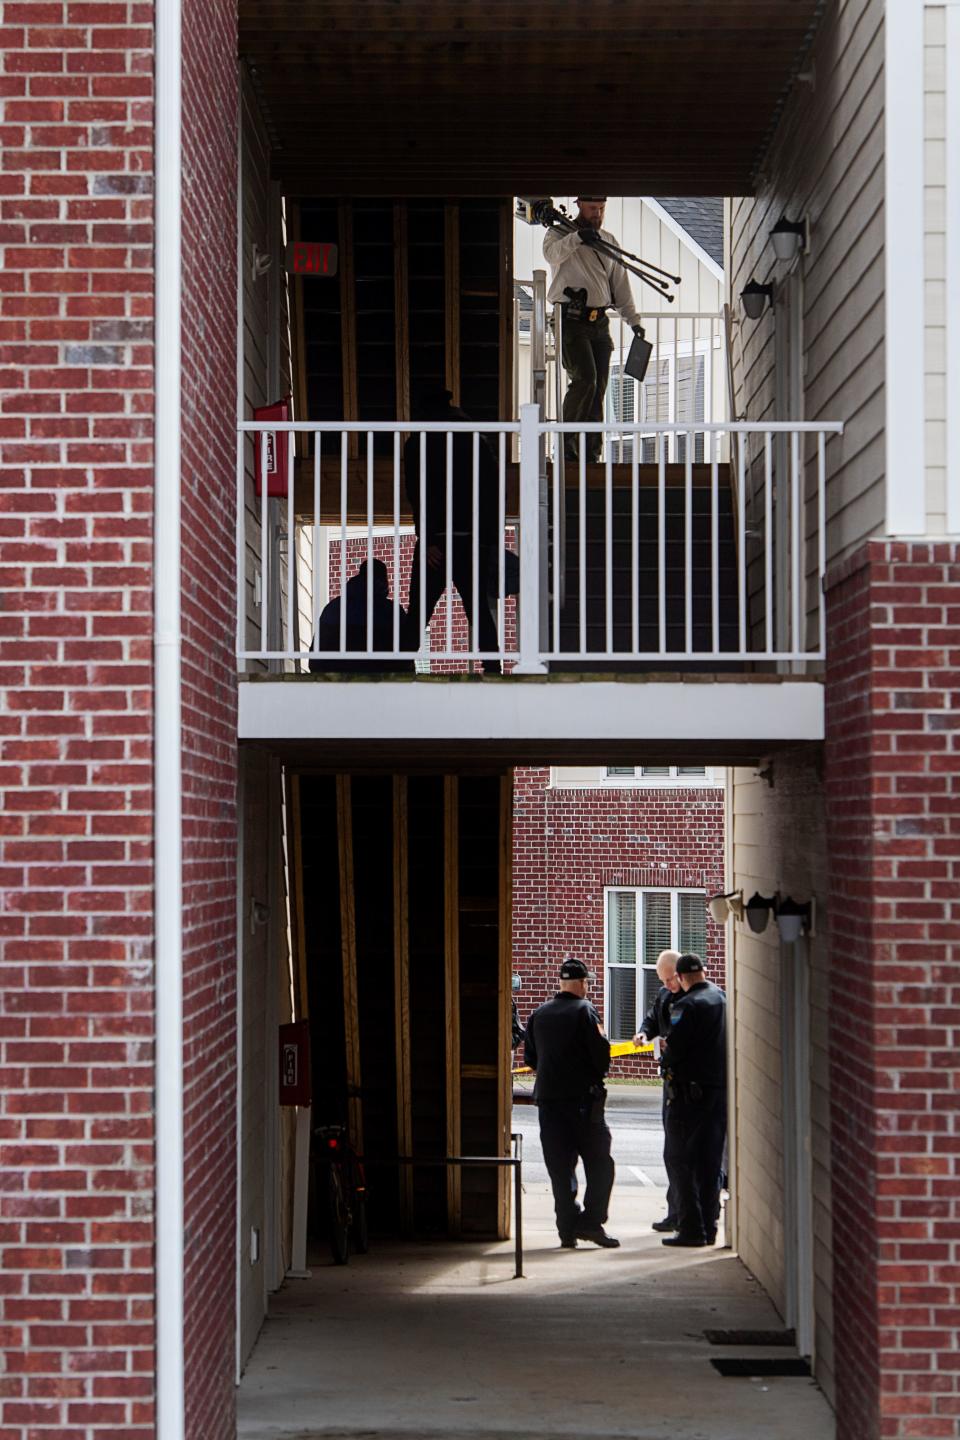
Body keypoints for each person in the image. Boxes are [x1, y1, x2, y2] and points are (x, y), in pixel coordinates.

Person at [402, 388, 501, 674]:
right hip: (472, 541)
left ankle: (398, 669)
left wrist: (429, 537)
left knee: (419, 610)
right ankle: (493, 670)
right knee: (479, 612)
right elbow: (491, 492)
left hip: (437, 542)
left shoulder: (419, 443)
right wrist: (487, 541)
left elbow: (419, 494)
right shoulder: (477, 441)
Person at [523, 956, 619, 1249]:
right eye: (587, 982)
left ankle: (566, 1229)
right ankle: (591, 1223)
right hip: (583, 1105)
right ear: (580, 983)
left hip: (549, 1104)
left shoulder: (539, 1014)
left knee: (560, 1169)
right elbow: (601, 1056)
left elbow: (530, 1059)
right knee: (601, 1165)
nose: (588, 987)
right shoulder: (585, 1011)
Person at [542, 196, 644, 462]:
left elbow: (620, 285)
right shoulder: (559, 233)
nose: (597, 214)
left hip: (599, 321)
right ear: (579, 206)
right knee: (585, 379)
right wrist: (577, 238)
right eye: (592, 209)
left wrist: (634, 321)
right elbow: (551, 255)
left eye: (601, 209)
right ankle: (565, 446)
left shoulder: (608, 241)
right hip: (570, 317)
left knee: (598, 387)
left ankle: (591, 452)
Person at [660, 953, 727, 1248]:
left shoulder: (686, 1006)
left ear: (683, 977)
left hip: (689, 1096)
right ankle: (710, 1226)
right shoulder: (722, 999)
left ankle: (691, 1228)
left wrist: (665, 1059)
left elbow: (675, 1048)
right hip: (719, 1092)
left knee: (680, 1160)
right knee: (710, 1161)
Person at [633, 949, 682, 1234]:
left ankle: (687, 1214)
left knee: (683, 1152)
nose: (667, 985)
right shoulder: (665, 997)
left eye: (670, 979)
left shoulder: (695, 1000)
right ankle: (675, 1211)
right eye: (663, 981)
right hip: (671, 1079)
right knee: (672, 1151)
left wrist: (672, 1045)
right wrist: (644, 1033)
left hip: (690, 1083)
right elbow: (652, 1019)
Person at [309, 558, 414, 674]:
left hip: (338, 684)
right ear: (383, 582)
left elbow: (316, 658)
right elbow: (406, 657)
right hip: (382, 683)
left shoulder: (334, 608)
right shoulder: (392, 612)